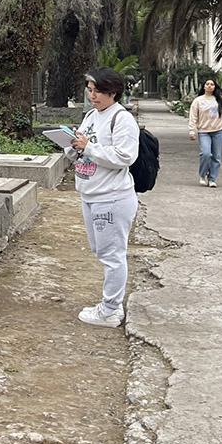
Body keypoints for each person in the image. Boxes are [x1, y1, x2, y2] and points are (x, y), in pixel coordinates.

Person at [65, 67, 140, 328]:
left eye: (97, 90)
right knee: (101, 250)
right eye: (89, 89)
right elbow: (83, 146)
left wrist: (89, 147)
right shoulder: (91, 116)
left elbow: (125, 157)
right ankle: (110, 306)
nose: (92, 95)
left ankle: (109, 309)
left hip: (112, 197)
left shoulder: (121, 119)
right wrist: (73, 145)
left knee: (112, 255)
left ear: (113, 91)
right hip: (91, 194)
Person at [188, 78, 222, 188]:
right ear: (204, 86)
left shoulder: (219, 99)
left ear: (215, 87)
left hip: (218, 131)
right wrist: (192, 130)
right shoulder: (198, 100)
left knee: (216, 156)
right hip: (204, 131)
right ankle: (202, 174)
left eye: (212, 84)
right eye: (207, 84)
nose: (210, 86)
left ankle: (212, 178)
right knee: (205, 153)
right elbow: (193, 116)